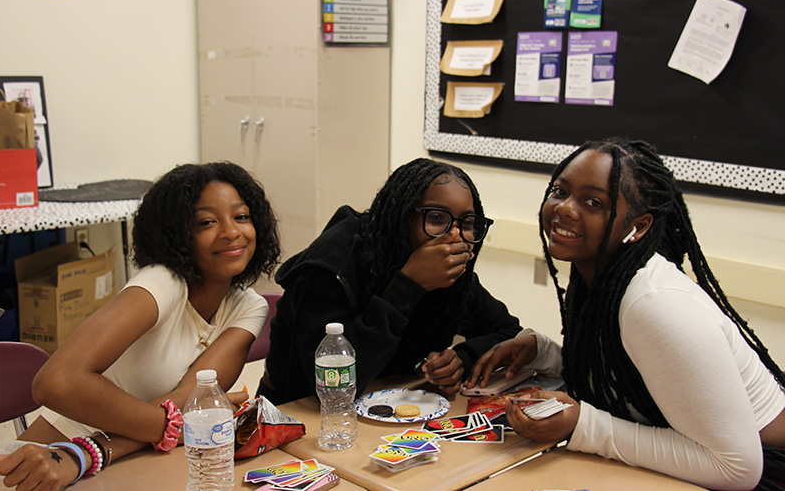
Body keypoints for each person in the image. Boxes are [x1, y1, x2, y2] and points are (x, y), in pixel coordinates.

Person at [466, 139, 785, 490]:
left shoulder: (654, 305)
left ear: (640, 226)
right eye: (560, 190)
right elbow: (631, 379)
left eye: (593, 203)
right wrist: (544, 353)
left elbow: (738, 468)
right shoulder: (601, 276)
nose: (565, 209)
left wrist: (583, 426)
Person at [0, 162, 280, 489]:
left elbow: (184, 412)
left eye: (241, 217)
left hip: (107, 458)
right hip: (43, 460)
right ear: (176, 234)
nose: (231, 232)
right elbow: (56, 381)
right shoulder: (162, 284)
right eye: (206, 222)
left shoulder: (248, 307)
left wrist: (87, 453)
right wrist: (172, 429)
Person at [258, 158, 522, 405]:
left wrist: (462, 358)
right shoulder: (331, 266)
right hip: (295, 415)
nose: (455, 235)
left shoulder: (450, 273)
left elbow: (508, 332)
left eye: (467, 223)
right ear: (401, 217)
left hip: (386, 408)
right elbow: (332, 387)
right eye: (437, 218)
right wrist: (407, 285)